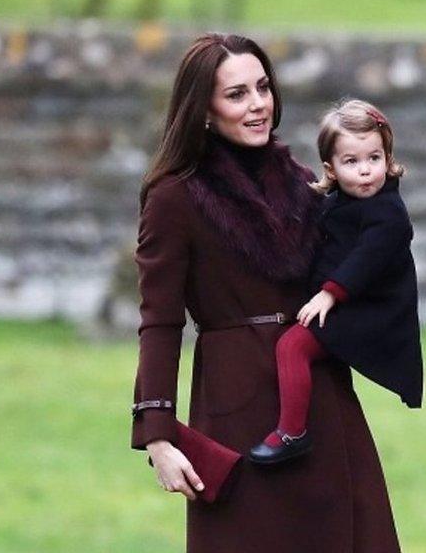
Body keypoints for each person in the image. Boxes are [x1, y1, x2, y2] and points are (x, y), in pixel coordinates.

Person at [131, 33, 401, 552]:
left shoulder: (305, 183)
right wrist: (158, 434)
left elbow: (371, 252)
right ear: (203, 109)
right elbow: (159, 320)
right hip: (236, 409)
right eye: (236, 94)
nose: (257, 104)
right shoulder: (174, 197)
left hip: (320, 397)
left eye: (262, 87)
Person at [249, 99, 423, 464]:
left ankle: (292, 432)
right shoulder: (336, 202)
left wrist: (329, 294)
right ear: (330, 168)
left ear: (387, 158)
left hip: (369, 312)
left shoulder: (388, 213)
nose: (365, 171)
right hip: (347, 303)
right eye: (352, 162)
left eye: (374, 159)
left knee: (292, 347)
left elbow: (366, 259)